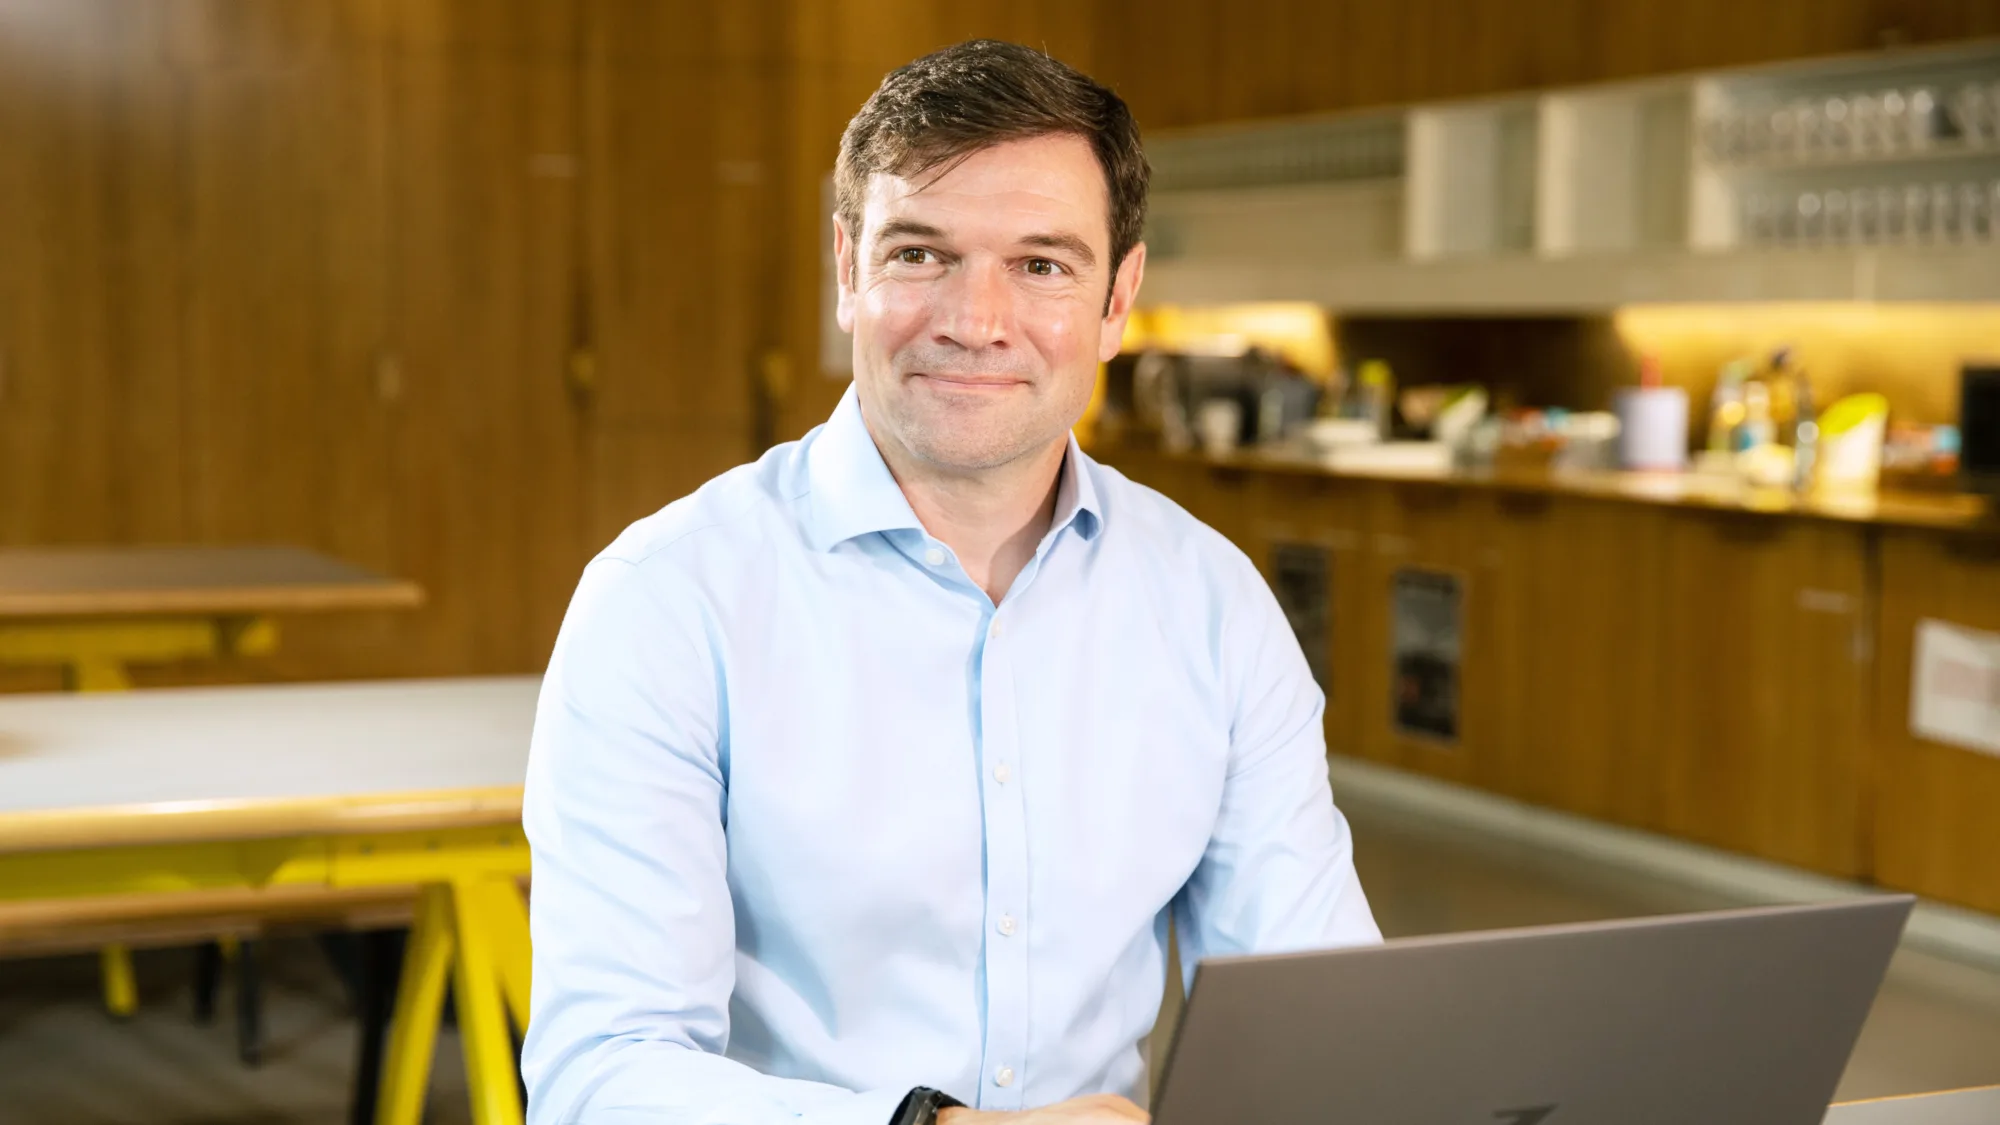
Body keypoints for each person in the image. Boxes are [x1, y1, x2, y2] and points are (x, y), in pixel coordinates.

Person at [521, 38, 1379, 1125]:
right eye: (920, 254)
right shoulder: (665, 602)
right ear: (848, 270)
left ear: (1117, 301)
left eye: (1040, 265)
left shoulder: (1211, 608)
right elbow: (602, 1076)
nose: (974, 321)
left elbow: (1321, 1020)